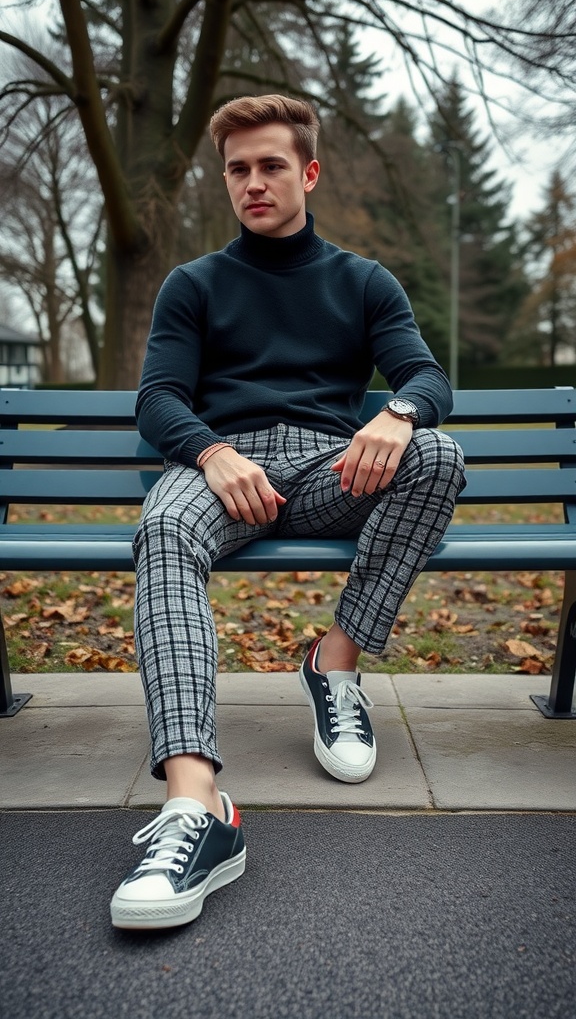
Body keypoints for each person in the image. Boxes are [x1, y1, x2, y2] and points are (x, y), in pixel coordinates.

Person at [110, 94, 466, 930]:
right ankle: (198, 809)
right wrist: (210, 451)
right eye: (238, 169)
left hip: (322, 470)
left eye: (271, 165)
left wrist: (398, 413)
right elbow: (157, 398)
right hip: (218, 470)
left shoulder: (363, 280)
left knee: (441, 454)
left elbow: (428, 378)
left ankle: (333, 663)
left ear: (307, 172)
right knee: (162, 528)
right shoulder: (193, 284)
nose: (253, 182)